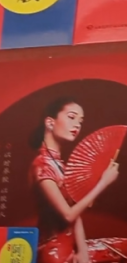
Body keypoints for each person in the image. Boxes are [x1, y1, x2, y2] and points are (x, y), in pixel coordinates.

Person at [29, 97, 127, 263]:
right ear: (50, 122)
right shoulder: (42, 166)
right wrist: (103, 183)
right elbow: (68, 215)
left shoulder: (59, 164)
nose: (77, 125)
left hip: (71, 244)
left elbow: (76, 216)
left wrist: (83, 253)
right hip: (53, 250)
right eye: (71, 117)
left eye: (80, 121)